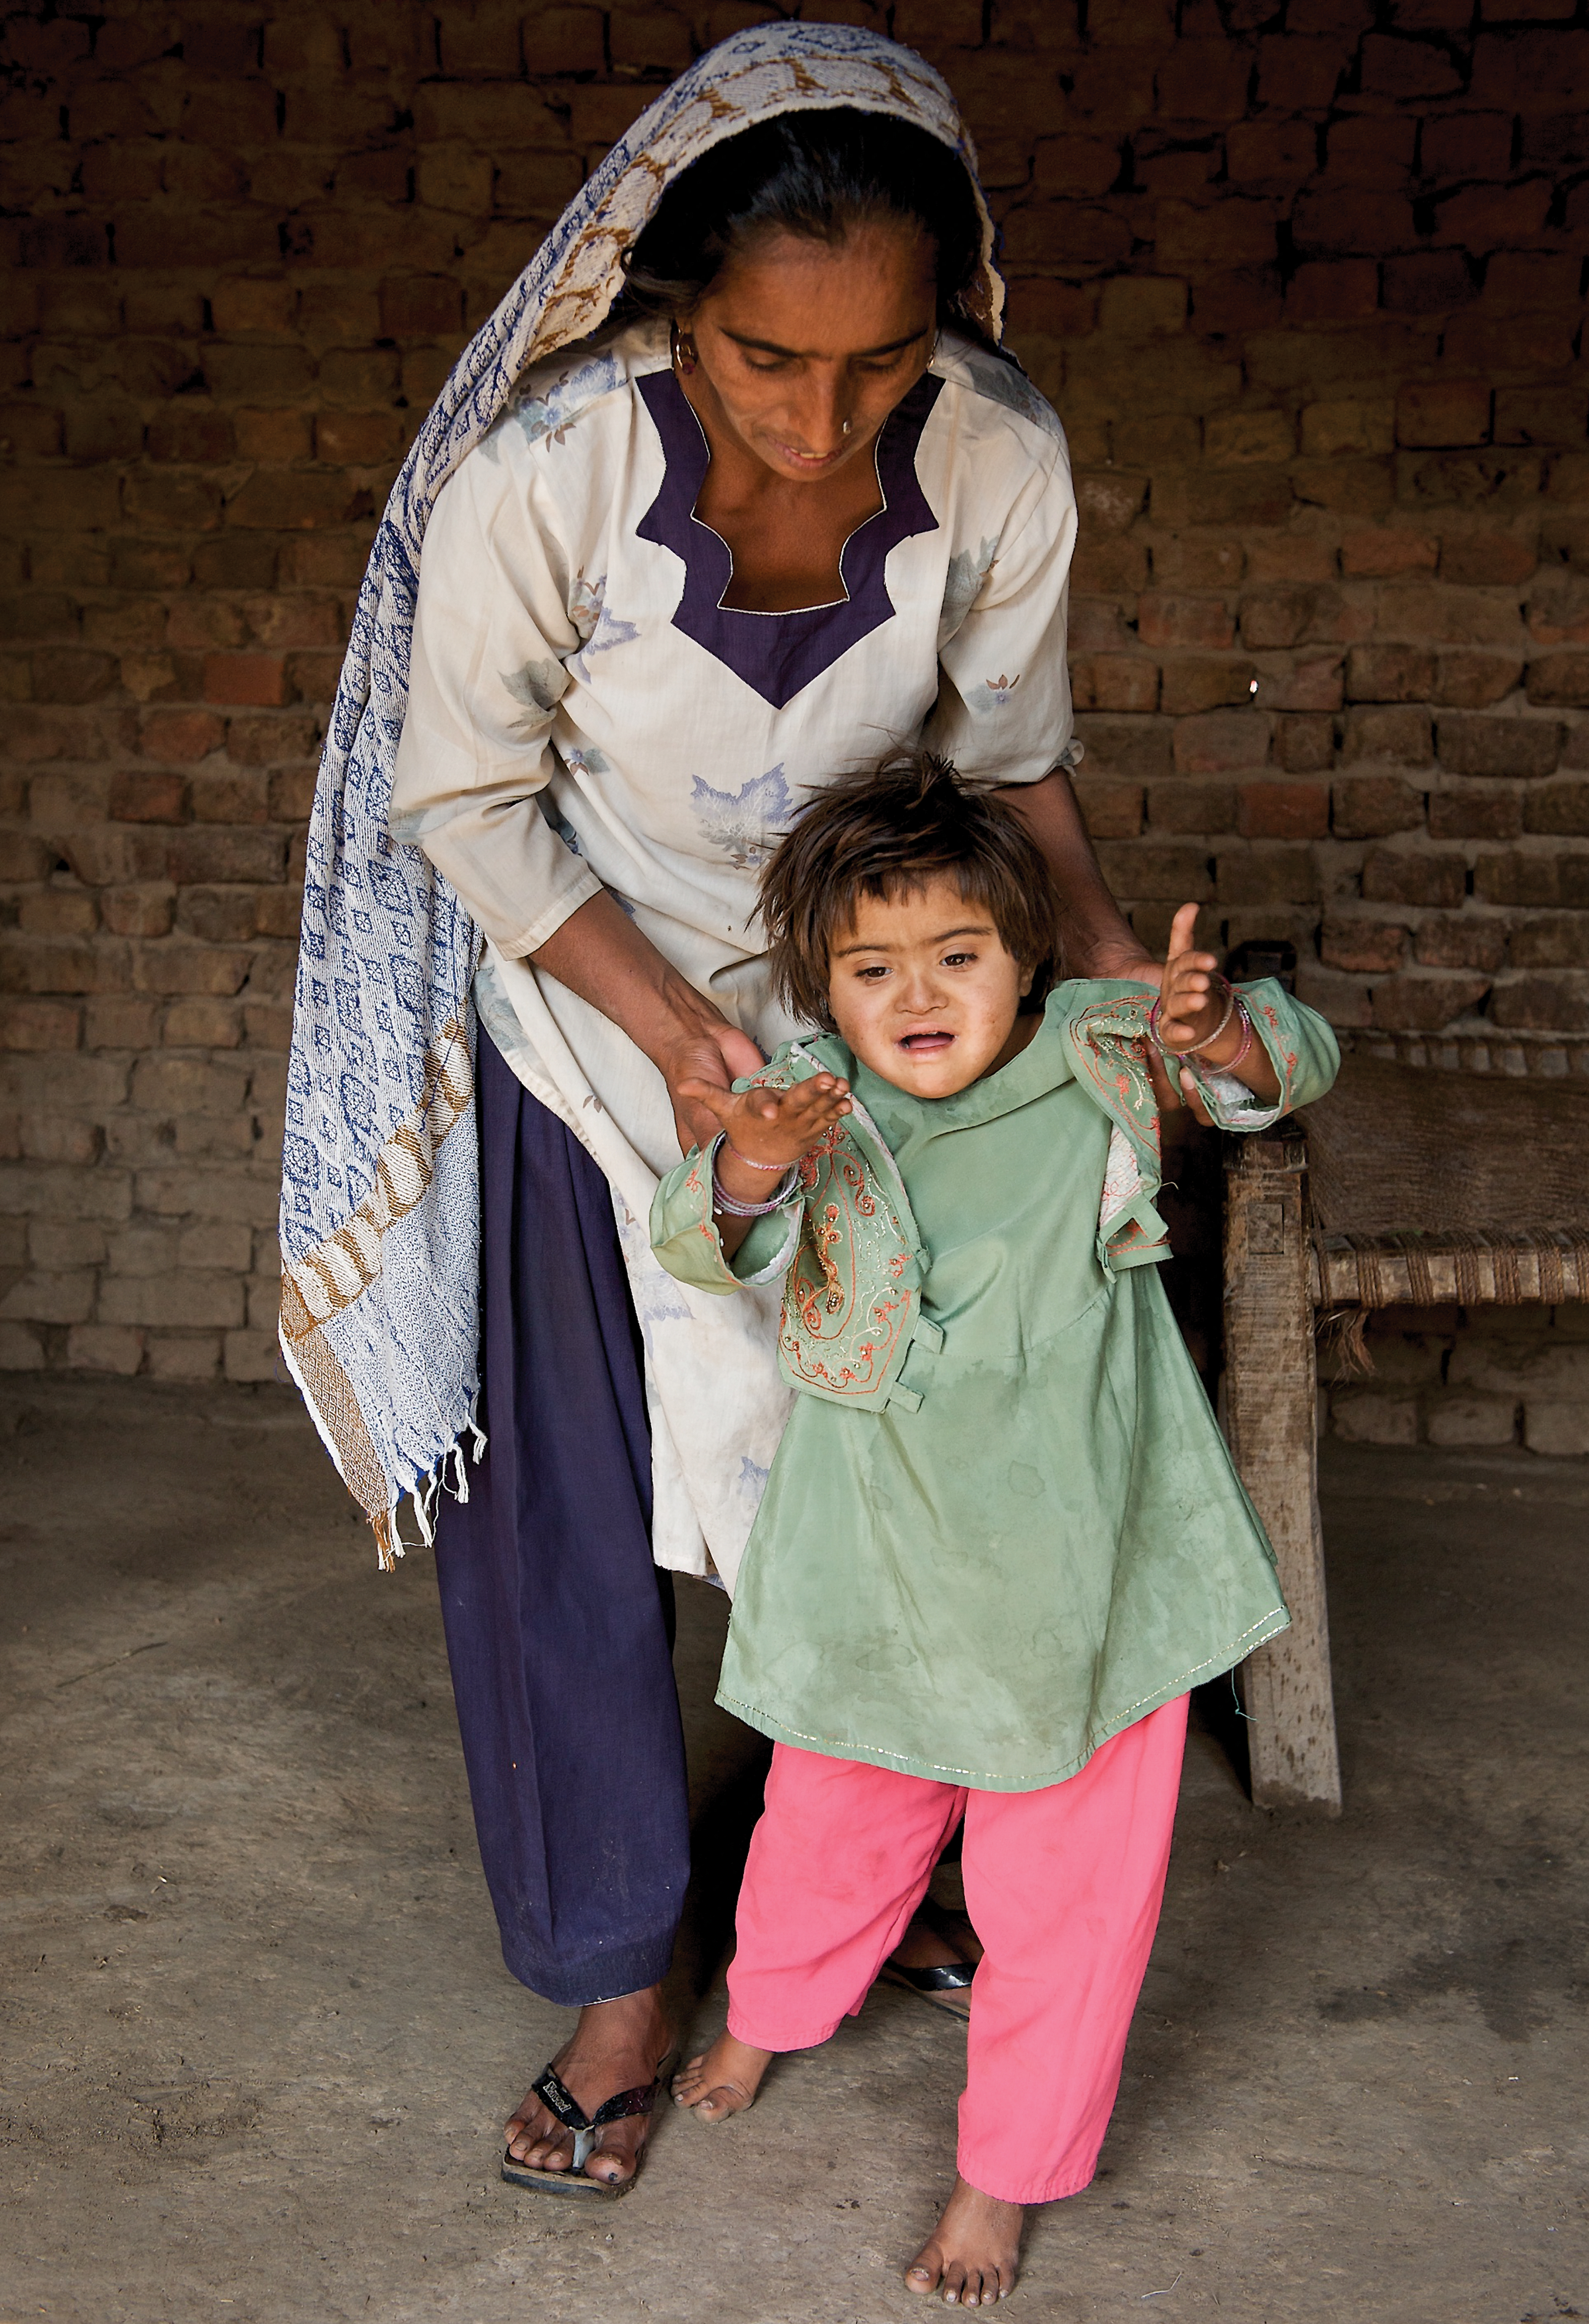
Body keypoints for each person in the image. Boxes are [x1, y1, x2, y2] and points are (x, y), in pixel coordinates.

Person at [335, 23, 1166, 2197]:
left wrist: (1089, 976)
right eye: (763, 360)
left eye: (877, 363)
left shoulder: (991, 450)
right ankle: (623, 1965)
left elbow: (1007, 753)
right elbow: (466, 803)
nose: (821, 414)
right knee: (574, 1516)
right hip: (589, 1008)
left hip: (884, 1005)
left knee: (902, 1453)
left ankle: (887, 1872)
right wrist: (675, 1038)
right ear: (664, 305)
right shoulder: (547, 476)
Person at [650, 755, 1340, 2302]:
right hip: (878, 1565)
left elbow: (1286, 1070)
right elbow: (699, 1236)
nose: (917, 994)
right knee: (829, 1826)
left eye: (958, 955)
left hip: (1089, 1572)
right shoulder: (813, 1096)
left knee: (1068, 1897)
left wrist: (1215, 1029)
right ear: (823, 981)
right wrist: (756, 1152)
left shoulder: (1105, 1049)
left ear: (1026, 956)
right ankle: (771, 2011)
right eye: (872, 964)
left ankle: (1002, 2173)